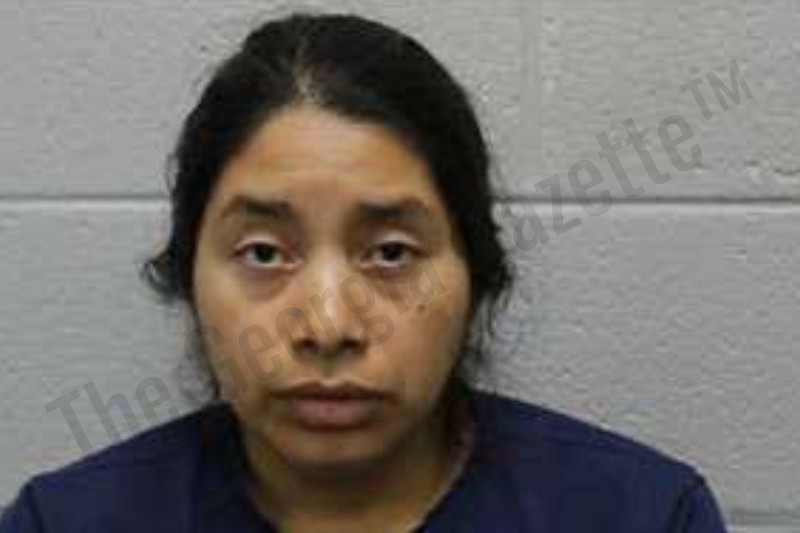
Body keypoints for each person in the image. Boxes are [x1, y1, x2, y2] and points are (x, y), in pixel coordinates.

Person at [0, 10, 728, 533]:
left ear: (476, 272)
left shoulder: (640, 515)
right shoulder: (65, 521)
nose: (328, 326)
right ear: (189, 274)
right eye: (263, 253)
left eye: (391, 253)